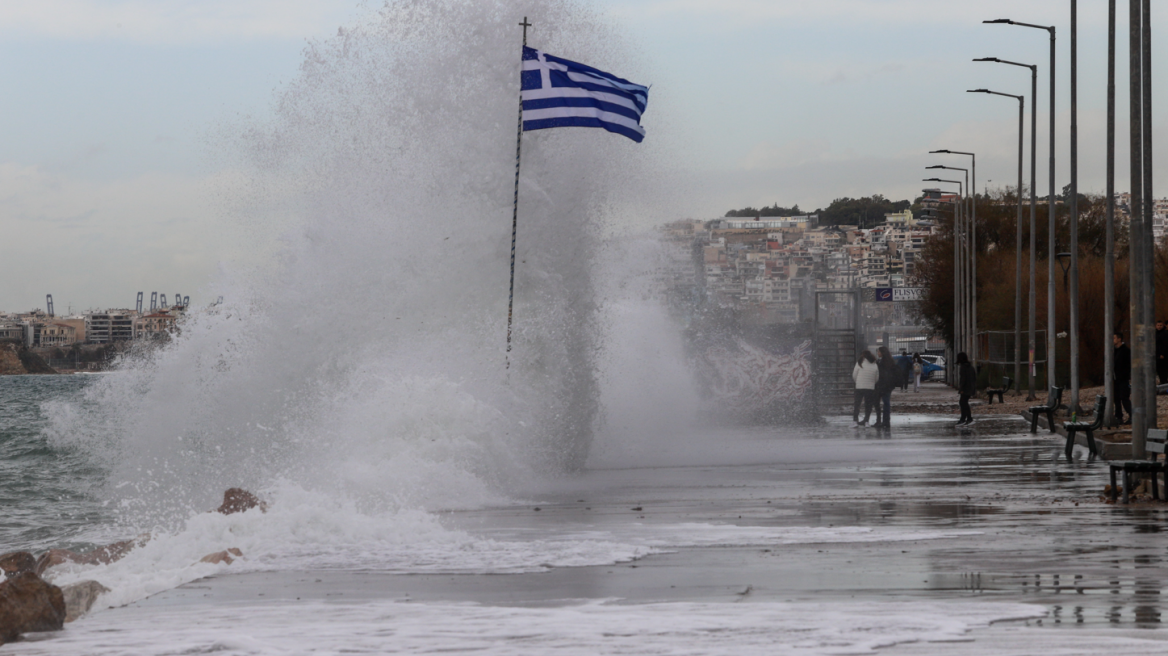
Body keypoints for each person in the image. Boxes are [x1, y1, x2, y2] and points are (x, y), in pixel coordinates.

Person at [852, 350, 879, 426]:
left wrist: (857, 382)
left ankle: (855, 421)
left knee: (857, 404)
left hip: (859, 387)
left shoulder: (859, 363)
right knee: (868, 405)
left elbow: (854, 375)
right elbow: (876, 377)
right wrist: (872, 383)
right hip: (870, 388)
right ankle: (866, 421)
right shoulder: (874, 364)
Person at [874, 346, 898, 429]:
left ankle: (883, 421)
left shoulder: (882, 362)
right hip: (888, 386)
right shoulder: (890, 361)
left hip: (883, 385)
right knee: (886, 403)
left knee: (882, 403)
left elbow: (882, 374)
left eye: (878, 352)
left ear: (882, 353)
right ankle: (885, 421)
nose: (877, 353)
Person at [1114, 332, 1132, 425]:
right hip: (1115, 379)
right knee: (1116, 398)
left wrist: (1125, 374)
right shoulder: (1113, 350)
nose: (1112, 340)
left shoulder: (1126, 351)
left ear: (1119, 339)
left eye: (1114, 338)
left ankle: (1132, 415)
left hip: (1123, 378)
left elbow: (1128, 365)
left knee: (1124, 397)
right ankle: (1119, 416)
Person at [955, 352, 977, 425]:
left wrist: (961, 389)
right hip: (970, 387)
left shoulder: (963, 367)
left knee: (963, 403)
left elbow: (963, 379)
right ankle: (965, 418)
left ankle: (966, 418)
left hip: (966, 388)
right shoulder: (970, 366)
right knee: (964, 402)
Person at [1157, 320, 1168, 385]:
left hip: (1163, 355)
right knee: (1159, 369)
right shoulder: (1155, 333)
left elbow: (1165, 344)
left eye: (1160, 325)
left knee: (1163, 369)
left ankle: (1164, 381)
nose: (1159, 327)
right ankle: (1162, 381)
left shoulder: (1165, 333)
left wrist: (1163, 353)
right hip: (1157, 354)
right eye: (1158, 325)